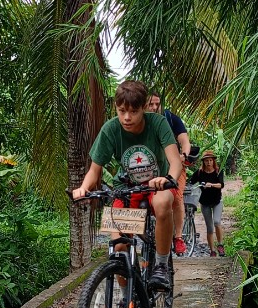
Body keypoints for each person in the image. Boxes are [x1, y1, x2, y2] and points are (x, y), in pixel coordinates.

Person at [73, 79, 183, 290]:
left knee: (162, 204)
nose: (126, 117)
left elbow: (175, 162)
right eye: (121, 110)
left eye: (133, 111)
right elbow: (94, 171)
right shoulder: (110, 129)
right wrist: (83, 188)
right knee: (119, 249)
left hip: (156, 186)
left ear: (143, 108)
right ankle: (127, 299)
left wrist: (167, 178)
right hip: (126, 189)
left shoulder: (158, 123)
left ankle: (161, 265)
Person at [146, 93, 190, 255]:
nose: (154, 107)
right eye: (150, 104)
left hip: (173, 166)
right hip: (148, 167)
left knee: (176, 197)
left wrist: (183, 155)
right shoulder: (139, 120)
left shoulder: (171, 118)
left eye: (157, 104)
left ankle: (178, 237)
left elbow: (184, 141)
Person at [191, 150, 226, 257]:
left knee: (217, 222)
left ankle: (220, 245)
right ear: (203, 162)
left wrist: (211, 185)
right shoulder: (199, 172)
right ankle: (212, 251)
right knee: (209, 227)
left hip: (217, 201)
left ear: (213, 161)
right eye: (206, 161)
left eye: (210, 160)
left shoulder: (218, 171)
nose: (209, 162)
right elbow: (191, 182)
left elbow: (221, 185)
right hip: (205, 202)